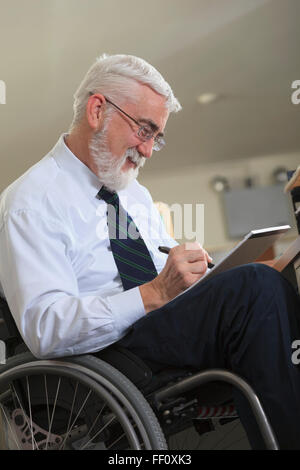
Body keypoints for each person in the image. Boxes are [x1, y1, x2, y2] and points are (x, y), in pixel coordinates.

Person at [0, 53, 299, 449]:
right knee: (256, 290)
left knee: (269, 282)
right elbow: (47, 329)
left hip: (152, 333)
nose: (149, 150)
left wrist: (192, 279)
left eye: (156, 136)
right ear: (97, 110)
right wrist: (155, 293)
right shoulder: (30, 202)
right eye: (145, 130)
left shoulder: (129, 193)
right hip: (107, 356)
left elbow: (163, 281)